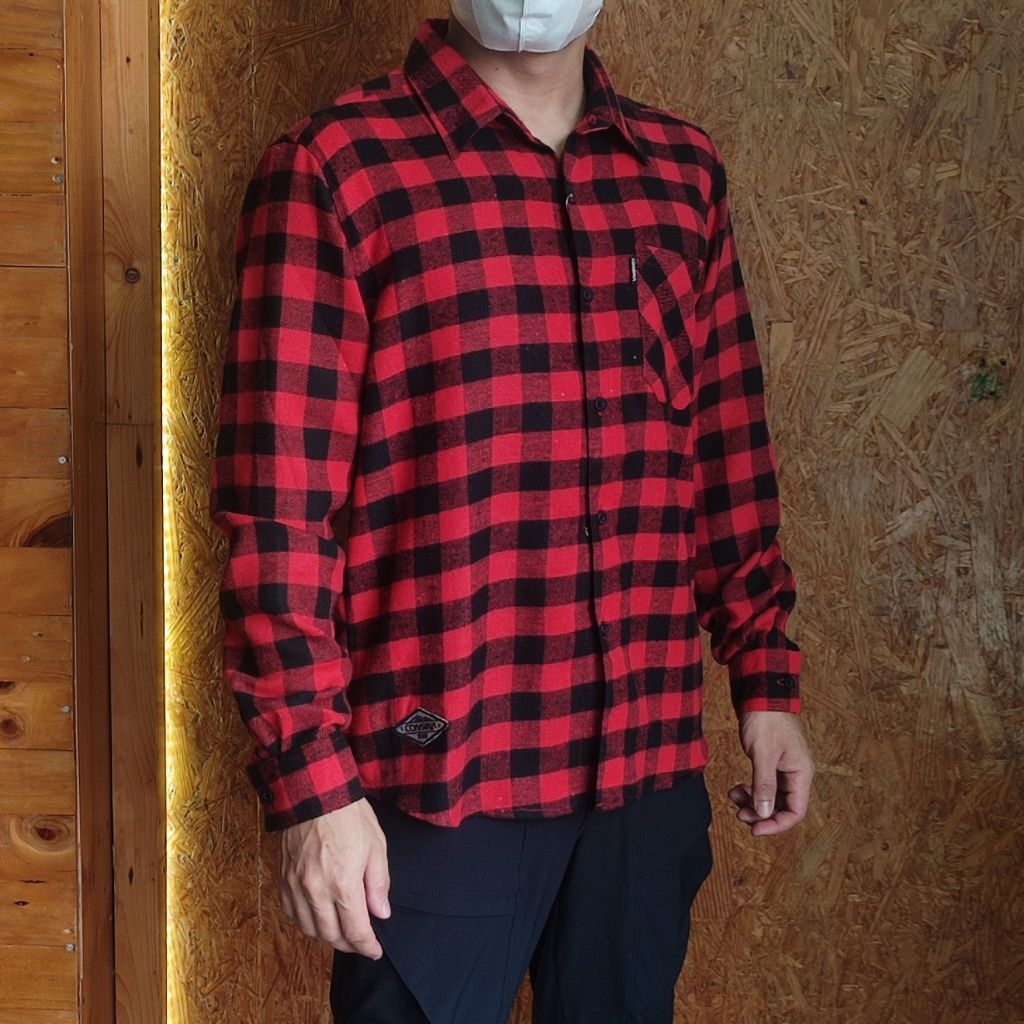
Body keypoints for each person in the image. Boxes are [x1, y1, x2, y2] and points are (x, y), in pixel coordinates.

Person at [212, 2, 814, 1021]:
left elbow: (724, 450)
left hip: (640, 768)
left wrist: (765, 678)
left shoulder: (680, 175)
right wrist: (312, 783)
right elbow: (278, 515)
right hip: (439, 777)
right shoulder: (337, 170)